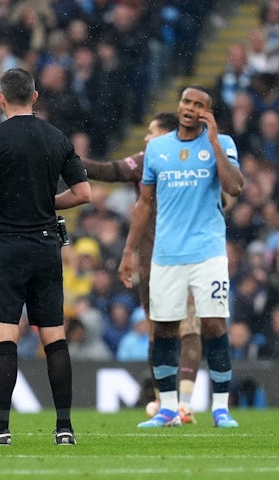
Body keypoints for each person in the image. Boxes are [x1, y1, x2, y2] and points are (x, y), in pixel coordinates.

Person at [0, 68, 91, 445]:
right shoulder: (56, 136)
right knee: (53, 335)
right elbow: (84, 192)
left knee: (4, 333)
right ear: (35, 97)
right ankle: (65, 427)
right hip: (45, 244)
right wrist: (45, 201)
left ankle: (0, 428)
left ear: (1, 99)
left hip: (7, 245)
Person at [119, 85, 244, 428]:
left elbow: (234, 187)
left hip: (208, 253)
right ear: (179, 106)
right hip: (166, 256)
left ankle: (220, 409)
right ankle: (168, 409)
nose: (190, 107)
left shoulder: (224, 144)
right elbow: (144, 203)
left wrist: (215, 141)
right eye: (186, 101)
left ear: (207, 111)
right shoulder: (158, 148)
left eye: (198, 104)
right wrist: (129, 251)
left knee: (214, 325)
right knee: (163, 330)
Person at [82, 112, 202, 423]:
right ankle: (166, 403)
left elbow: (111, 171)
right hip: (151, 262)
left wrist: (69, 160)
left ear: (166, 135)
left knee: (187, 328)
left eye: (152, 132)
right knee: (157, 332)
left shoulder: (186, 160)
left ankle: (183, 403)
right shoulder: (149, 159)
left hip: (184, 256)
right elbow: (113, 171)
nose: (146, 138)